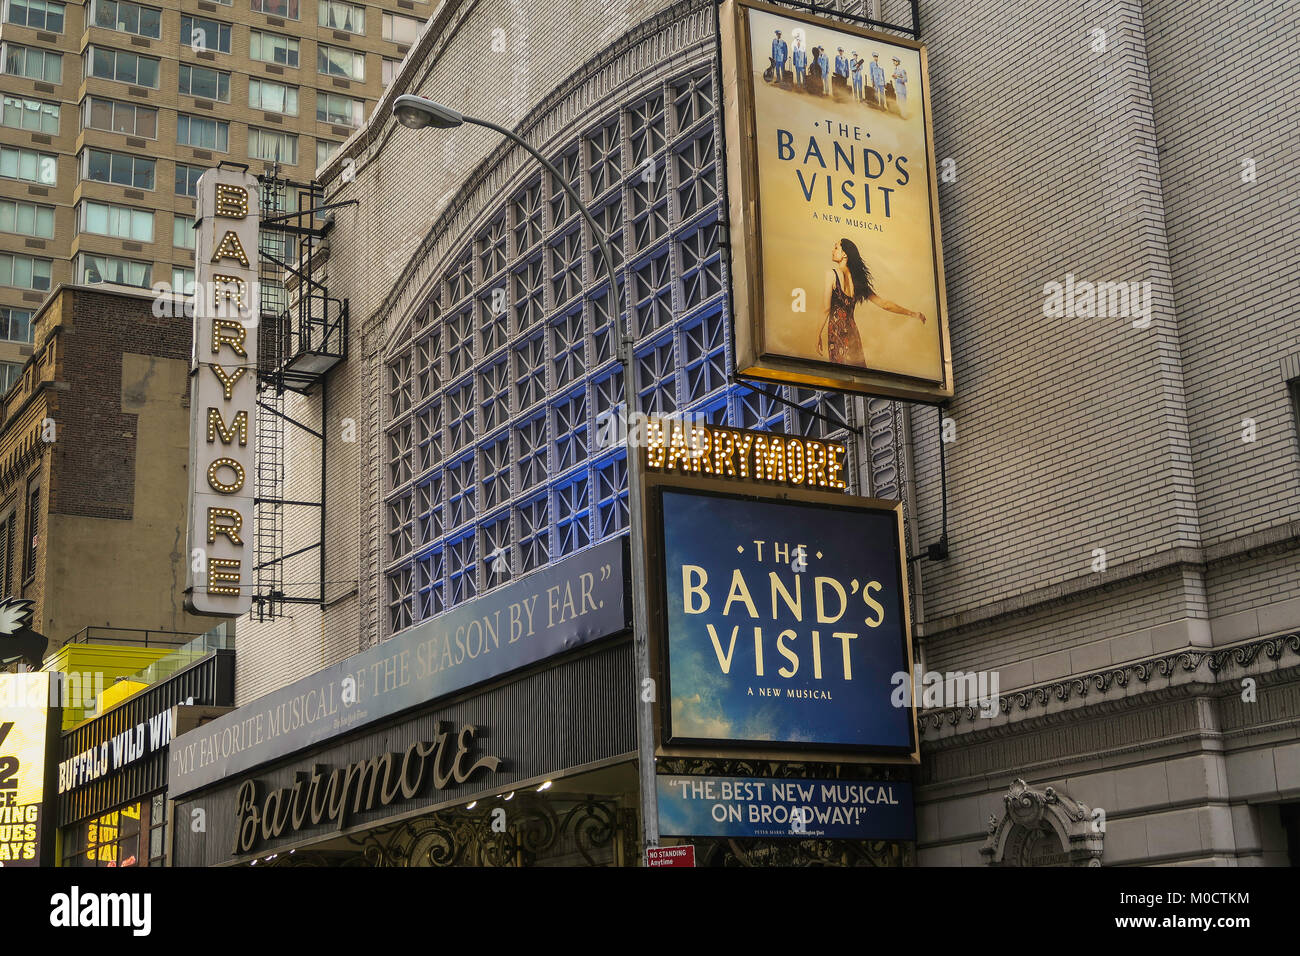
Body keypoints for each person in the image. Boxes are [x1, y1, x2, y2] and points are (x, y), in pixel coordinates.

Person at [818, 238, 927, 366]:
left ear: (844, 254)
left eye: (836, 247)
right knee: (856, 372)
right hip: (853, 333)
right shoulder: (858, 282)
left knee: (840, 374)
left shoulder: (831, 275)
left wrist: (817, 335)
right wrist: (913, 314)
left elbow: (826, 309)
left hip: (837, 333)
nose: (832, 250)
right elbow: (885, 305)